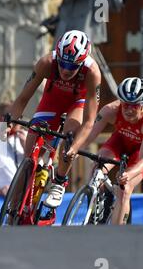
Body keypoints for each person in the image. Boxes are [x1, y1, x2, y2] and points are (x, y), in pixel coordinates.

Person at [9, 29, 101, 208]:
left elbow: (90, 121)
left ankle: (59, 181)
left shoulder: (92, 72)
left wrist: (74, 148)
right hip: (52, 100)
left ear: (82, 63)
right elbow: (22, 98)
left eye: (73, 66)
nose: (66, 70)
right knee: (29, 158)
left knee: (69, 138)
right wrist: (9, 123)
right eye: (63, 63)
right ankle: (13, 208)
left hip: (77, 102)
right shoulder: (46, 62)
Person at [81, 77, 143, 224]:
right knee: (96, 169)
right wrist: (75, 149)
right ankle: (98, 208)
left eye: (134, 106)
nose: (129, 110)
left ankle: (117, 233)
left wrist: (128, 174)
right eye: (125, 105)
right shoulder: (110, 110)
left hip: (139, 152)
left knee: (125, 189)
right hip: (119, 142)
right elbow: (89, 135)